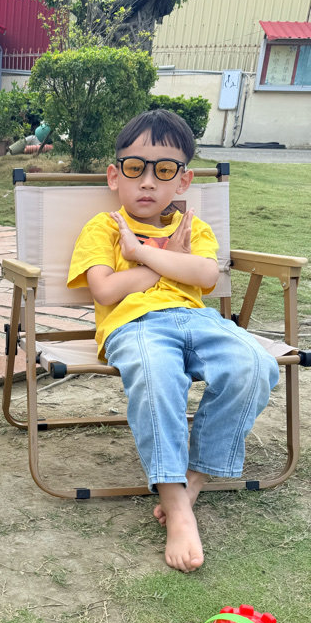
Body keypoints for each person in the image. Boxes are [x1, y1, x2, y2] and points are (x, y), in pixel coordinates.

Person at [68, 109, 279, 573]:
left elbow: (204, 274)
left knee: (255, 366)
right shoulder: (105, 228)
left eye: (164, 170)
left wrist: (142, 254)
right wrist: (164, 260)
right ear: (114, 175)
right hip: (135, 325)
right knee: (157, 375)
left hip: (199, 321)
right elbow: (105, 289)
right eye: (135, 168)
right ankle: (176, 503)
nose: (147, 181)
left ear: (183, 180)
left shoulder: (193, 226)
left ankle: (194, 477)